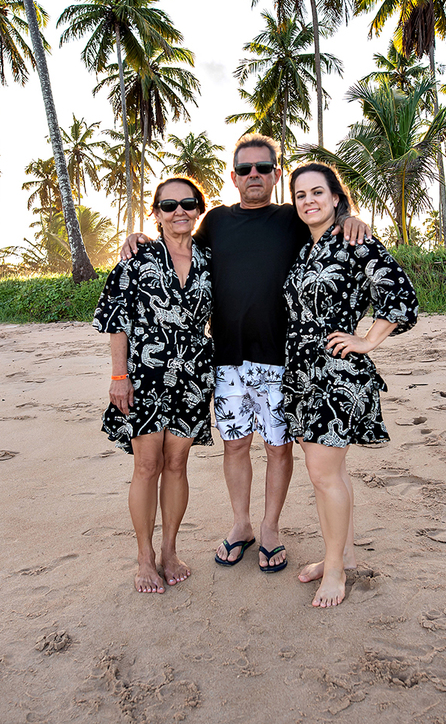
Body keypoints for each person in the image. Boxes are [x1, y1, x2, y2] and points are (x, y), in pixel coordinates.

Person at [122, 134, 370, 574]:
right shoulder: (214, 221)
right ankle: (241, 525)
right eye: (244, 169)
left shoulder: (293, 218)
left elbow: (329, 217)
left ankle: (270, 528)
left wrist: (354, 219)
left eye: (262, 168)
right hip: (227, 360)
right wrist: (137, 237)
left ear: (276, 173)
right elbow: (177, 237)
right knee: (235, 448)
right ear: (233, 177)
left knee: (278, 449)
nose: (253, 175)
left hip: (282, 360)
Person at [283, 162, 418, 607]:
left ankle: (336, 568)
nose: (309, 201)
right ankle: (341, 553)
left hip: (337, 374)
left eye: (317, 192)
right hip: (301, 373)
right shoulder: (305, 248)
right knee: (331, 473)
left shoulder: (355, 240)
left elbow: (401, 297)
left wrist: (367, 341)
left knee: (323, 475)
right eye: (301, 195)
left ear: (336, 197)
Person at [93, 177, 214, 593]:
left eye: (187, 203)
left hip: (194, 374)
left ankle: (169, 550)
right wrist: (118, 375)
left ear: (199, 208)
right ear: (156, 213)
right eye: (168, 205)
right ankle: (143, 557)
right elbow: (116, 320)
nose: (178, 211)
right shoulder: (137, 258)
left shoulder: (211, 258)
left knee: (177, 464)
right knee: (146, 465)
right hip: (143, 374)